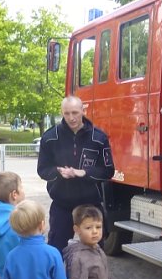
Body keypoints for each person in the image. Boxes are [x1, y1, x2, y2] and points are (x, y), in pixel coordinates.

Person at [37, 95, 115, 252]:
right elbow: (42, 169)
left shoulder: (98, 138)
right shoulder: (50, 137)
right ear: (62, 112)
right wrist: (58, 172)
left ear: (83, 110)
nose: (71, 118)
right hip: (61, 204)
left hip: (90, 204)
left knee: (94, 251)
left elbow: (108, 171)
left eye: (75, 113)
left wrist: (83, 173)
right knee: (56, 250)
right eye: (66, 113)